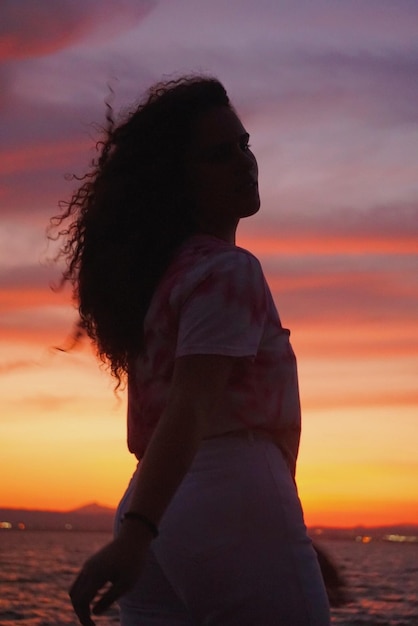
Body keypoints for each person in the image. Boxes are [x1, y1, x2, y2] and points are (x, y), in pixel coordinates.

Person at [52, 76, 331, 625]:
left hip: (157, 499)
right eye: (218, 155)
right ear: (178, 181)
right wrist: (142, 534)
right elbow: (193, 405)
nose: (244, 162)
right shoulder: (229, 270)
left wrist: (142, 529)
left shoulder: (165, 280)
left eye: (244, 145)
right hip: (217, 494)